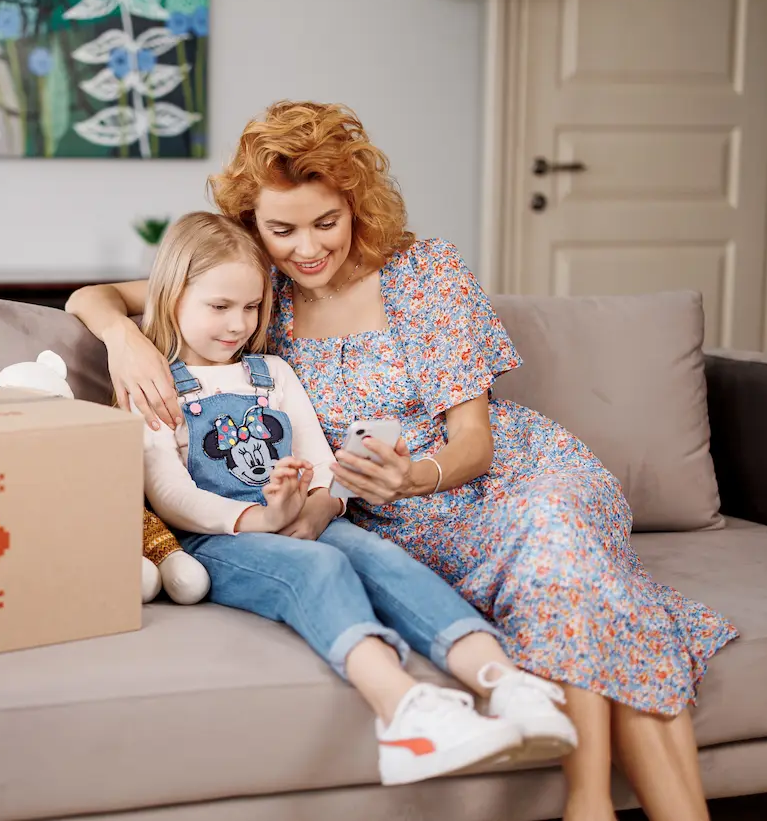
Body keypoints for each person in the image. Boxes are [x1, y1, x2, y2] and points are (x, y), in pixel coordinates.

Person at [67, 102, 738, 821]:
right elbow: (98, 296)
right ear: (252, 225)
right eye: (281, 230)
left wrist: (416, 475)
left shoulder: (424, 273)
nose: (306, 249)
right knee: (600, 594)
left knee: (557, 546)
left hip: (509, 478)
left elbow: (475, 442)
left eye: (326, 221)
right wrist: (121, 339)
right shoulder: (258, 292)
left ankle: (587, 802)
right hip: (397, 521)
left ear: (356, 203)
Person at [125, 209, 577, 787]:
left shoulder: (272, 373)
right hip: (218, 537)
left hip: (300, 517)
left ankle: (503, 680)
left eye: (252, 307)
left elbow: (320, 459)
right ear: (172, 299)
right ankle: (404, 713)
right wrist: (260, 516)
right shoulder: (154, 385)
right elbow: (168, 492)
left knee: (381, 556)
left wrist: (314, 501)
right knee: (318, 568)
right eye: (220, 307)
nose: (238, 324)